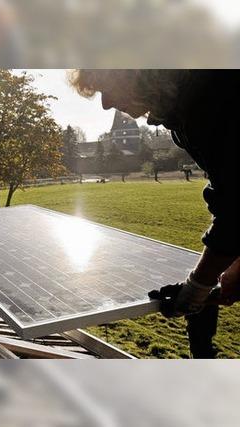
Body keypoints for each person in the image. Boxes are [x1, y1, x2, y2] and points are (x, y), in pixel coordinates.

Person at [68, 70, 240, 358]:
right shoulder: (183, 109)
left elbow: (236, 207)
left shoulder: (207, 95)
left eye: (107, 88)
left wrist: (197, 288)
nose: (106, 104)